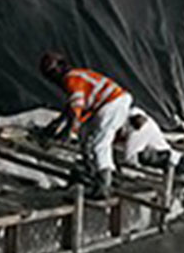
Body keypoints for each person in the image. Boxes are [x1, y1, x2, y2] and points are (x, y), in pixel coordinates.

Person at [39, 52, 133, 200]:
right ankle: (97, 172)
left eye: (52, 72)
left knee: (100, 144)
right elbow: (70, 108)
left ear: (62, 66)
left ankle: (104, 185)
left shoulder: (70, 78)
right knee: (86, 138)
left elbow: (77, 107)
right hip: (107, 104)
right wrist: (57, 124)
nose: (52, 77)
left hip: (112, 103)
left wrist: (69, 131)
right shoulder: (76, 76)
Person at [120, 107, 184, 180]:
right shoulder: (140, 120)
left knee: (167, 159)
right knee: (173, 157)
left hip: (158, 153)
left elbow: (129, 156)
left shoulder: (137, 131)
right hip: (160, 150)